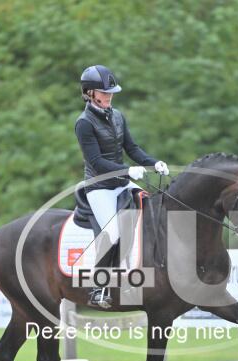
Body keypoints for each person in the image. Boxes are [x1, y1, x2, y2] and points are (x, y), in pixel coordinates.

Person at [75, 65, 169, 308]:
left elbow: (132, 148)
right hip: (99, 187)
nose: (109, 96)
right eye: (103, 93)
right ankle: (98, 288)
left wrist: (153, 163)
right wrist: (127, 170)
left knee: (152, 212)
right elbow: (96, 161)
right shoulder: (84, 123)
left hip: (122, 183)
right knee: (113, 232)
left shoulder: (117, 116)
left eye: (111, 93)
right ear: (89, 93)